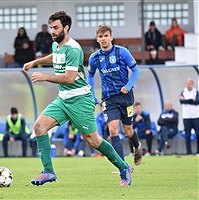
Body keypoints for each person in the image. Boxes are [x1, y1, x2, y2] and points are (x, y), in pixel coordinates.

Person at [23, 11, 133, 187]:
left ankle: (124, 167)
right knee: (39, 127)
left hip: (80, 99)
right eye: (51, 27)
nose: (52, 31)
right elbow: (55, 57)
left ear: (66, 28)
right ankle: (48, 172)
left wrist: (44, 77)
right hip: (63, 99)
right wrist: (36, 62)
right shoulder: (56, 45)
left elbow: (69, 78)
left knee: (93, 140)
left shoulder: (74, 49)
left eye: (56, 27)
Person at [88, 24, 142, 165]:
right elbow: (91, 75)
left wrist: (128, 86)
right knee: (113, 131)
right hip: (108, 98)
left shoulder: (122, 52)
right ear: (97, 39)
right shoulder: (94, 58)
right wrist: (92, 95)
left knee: (128, 132)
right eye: (101, 36)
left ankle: (137, 147)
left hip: (126, 96)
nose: (104, 39)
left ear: (111, 37)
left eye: (106, 36)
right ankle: (123, 168)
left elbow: (136, 71)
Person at [179, 78, 199, 155]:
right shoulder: (183, 92)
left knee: (198, 134)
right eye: (187, 83)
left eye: (190, 83)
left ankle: (198, 151)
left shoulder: (195, 92)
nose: (188, 85)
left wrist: (187, 100)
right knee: (187, 135)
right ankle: (189, 152)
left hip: (195, 116)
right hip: (186, 117)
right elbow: (181, 101)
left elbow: (197, 102)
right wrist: (191, 100)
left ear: (192, 84)